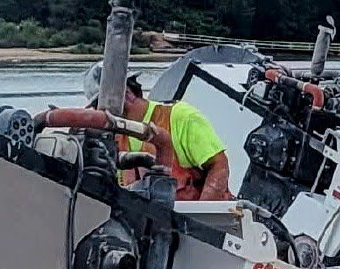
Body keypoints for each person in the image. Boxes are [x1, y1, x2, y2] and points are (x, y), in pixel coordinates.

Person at [82, 63, 231, 202]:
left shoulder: (180, 117)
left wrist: (202, 216)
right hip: (148, 224)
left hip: (193, 221)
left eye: (101, 105)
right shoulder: (114, 138)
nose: (99, 112)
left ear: (126, 94)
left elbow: (219, 165)